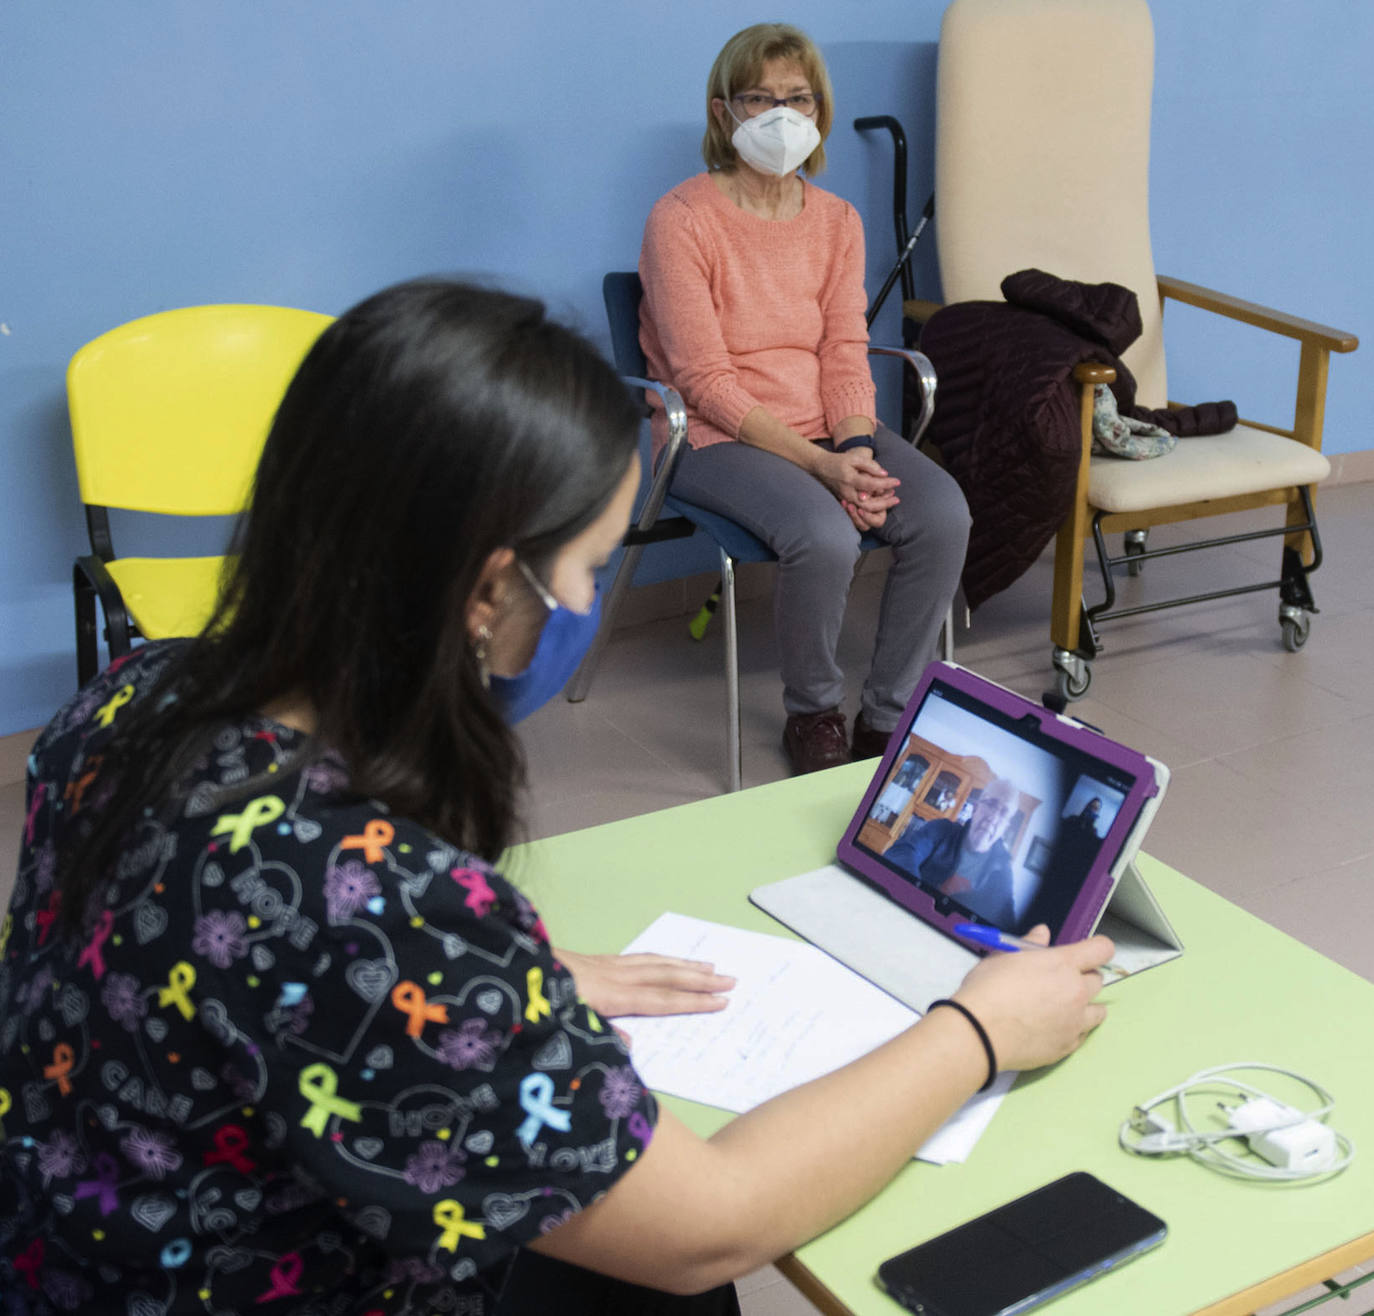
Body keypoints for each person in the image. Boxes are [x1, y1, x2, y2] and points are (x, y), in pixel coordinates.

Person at [1, 280, 1111, 1314]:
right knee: (678, 1280)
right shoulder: (365, 900)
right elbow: (709, 1224)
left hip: (82, 1242)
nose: (587, 599)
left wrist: (478, 987)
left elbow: (210, 955)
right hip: (247, 1279)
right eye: (585, 565)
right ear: (490, 588)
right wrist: (976, 1028)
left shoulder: (138, 696)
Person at [638, 22, 971, 776]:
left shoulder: (837, 222)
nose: (781, 115)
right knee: (823, 535)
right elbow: (703, 380)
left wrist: (852, 448)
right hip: (714, 438)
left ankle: (887, 718)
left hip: (828, 427)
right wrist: (823, 472)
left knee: (944, 512)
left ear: (819, 109)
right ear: (724, 112)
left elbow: (843, 351)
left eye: (798, 97)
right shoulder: (682, 219)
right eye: (761, 98)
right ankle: (814, 712)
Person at [885, 777, 1021, 928]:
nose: (993, 817)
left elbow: (1006, 922)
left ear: (1006, 827)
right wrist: (917, 900)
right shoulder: (941, 830)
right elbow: (902, 852)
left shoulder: (1002, 868)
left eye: (1004, 812)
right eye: (991, 804)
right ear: (975, 809)